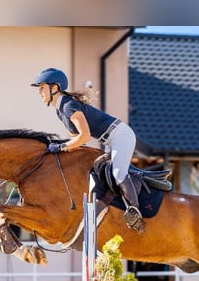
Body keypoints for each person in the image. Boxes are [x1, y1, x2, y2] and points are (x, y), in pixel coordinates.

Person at [31, 67, 145, 233]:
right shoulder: (60, 111)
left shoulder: (69, 106)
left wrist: (61, 147)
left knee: (118, 173)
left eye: (42, 87)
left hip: (121, 135)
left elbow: (84, 137)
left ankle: (135, 211)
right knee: (99, 175)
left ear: (54, 88)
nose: (39, 92)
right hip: (109, 139)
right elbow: (75, 140)